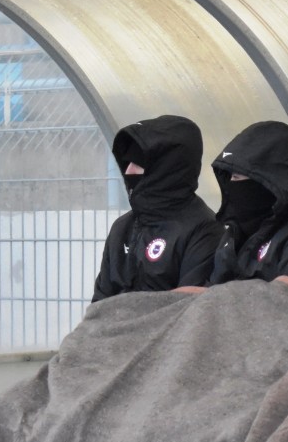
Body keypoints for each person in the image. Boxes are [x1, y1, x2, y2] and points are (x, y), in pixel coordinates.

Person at [92, 114, 220, 302]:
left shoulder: (203, 229)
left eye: (138, 164)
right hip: (116, 322)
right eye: (127, 163)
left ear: (166, 168)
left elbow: (191, 309)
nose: (128, 171)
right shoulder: (122, 227)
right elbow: (99, 304)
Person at [206, 121, 288, 286]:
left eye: (237, 177)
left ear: (269, 181)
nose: (231, 184)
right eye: (230, 177)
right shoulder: (239, 229)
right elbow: (211, 290)